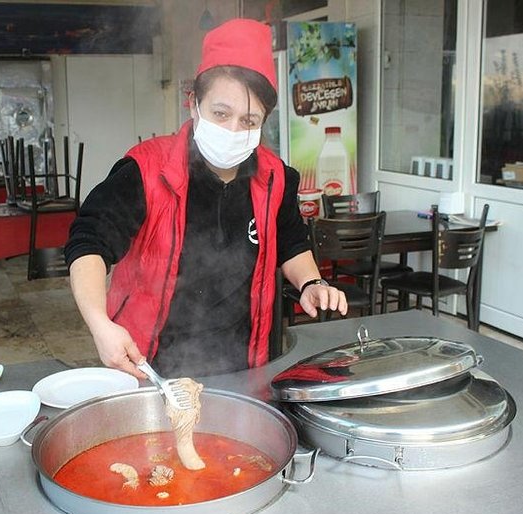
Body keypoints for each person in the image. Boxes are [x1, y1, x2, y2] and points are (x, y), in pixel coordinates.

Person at [65, 18, 347, 379]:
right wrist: (99, 324)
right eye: (220, 113)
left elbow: (291, 242)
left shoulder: (275, 178)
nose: (233, 131)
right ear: (194, 105)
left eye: (249, 120)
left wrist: (311, 283)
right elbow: (89, 243)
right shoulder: (146, 171)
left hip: (241, 363)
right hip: (147, 365)